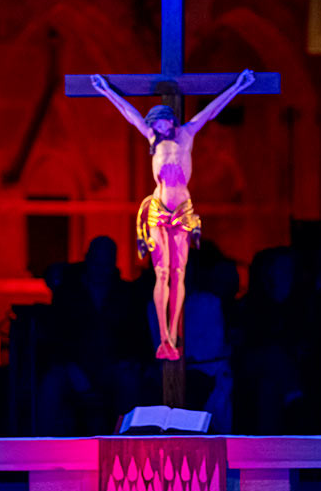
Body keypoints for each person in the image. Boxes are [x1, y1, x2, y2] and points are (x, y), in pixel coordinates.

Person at [90, 69, 255, 360]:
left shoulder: (186, 134)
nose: (159, 126)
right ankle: (163, 337)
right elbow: (131, 115)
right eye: (156, 123)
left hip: (181, 211)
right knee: (162, 273)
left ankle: (173, 337)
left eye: (161, 120)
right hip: (157, 209)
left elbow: (210, 110)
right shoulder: (154, 137)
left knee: (178, 273)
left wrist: (238, 87)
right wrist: (106, 91)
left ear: (171, 118)